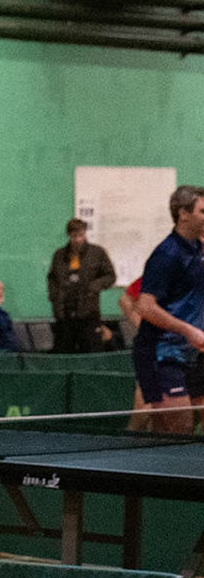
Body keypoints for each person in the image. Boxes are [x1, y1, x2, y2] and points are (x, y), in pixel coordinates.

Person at [130, 186, 204, 435]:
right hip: (161, 353)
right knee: (177, 429)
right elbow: (145, 306)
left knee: (182, 430)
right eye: (203, 211)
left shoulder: (197, 249)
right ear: (183, 214)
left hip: (189, 354)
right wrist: (188, 330)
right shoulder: (166, 255)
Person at [47, 218, 116, 355]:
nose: (79, 239)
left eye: (81, 235)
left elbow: (110, 276)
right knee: (64, 352)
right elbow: (52, 278)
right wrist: (54, 297)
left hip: (88, 313)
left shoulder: (97, 253)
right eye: (75, 236)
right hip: (64, 314)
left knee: (91, 352)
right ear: (69, 236)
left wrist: (94, 287)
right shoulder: (59, 255)